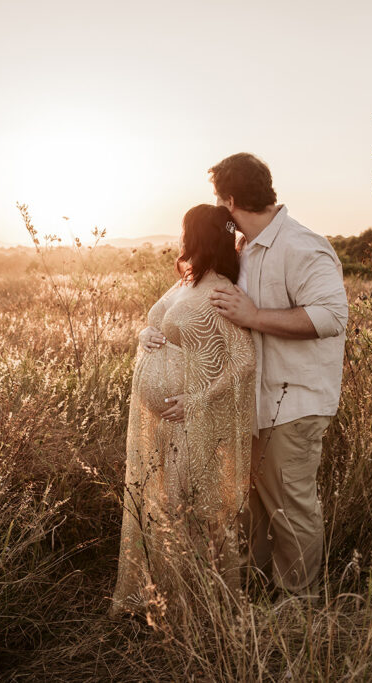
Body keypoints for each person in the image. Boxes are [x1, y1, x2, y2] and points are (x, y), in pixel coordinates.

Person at [207, 152, 348, 598]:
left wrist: (254, 316)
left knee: (291, 510)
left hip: (295, 402)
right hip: (253, 404)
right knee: (253, 511)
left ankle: (300, 606)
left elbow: (330, 317)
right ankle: (259, 596)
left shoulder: (301, 246)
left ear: (230, 201)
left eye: (219, 200)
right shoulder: (244, 250)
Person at [109, 204, 255, 618]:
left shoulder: (221, 291)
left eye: (185, 231)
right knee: (166, 508)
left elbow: (244, 359)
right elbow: (155, 322)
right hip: (164, 423)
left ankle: (199, 609)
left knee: (189, 512)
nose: (180, 238)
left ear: (197, 236)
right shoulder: (186, 281)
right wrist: (145, 334)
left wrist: (198, 400)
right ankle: (169, 599)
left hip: (193, 421)